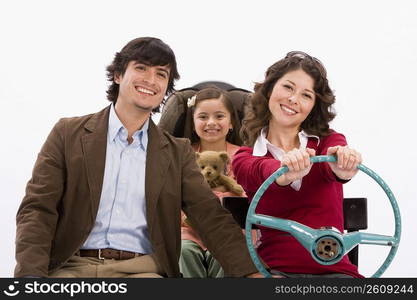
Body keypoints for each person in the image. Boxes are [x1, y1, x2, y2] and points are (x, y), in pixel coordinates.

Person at [14, 37, 261, 278]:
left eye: (161, 74)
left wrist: (252, 273)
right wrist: (30, 279)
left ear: (166, 88)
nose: (150, 80)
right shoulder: (68, 134)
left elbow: (210, 217)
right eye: (141, 68)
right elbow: (38, 209)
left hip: (143, 271)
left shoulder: (177, 152)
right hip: (71, 267)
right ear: (118, 75)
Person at [232, 51, 364, 278]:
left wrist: (342, 165)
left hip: (336, 272)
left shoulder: (329, 143)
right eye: (288, 87)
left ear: (314, 106)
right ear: (270, 89)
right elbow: (262, 171)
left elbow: (331, 166)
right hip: (274, 272)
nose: (293, 99)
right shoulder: (245, 158)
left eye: (306, 95)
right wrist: (284, 172)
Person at [178, 87, 244, 278]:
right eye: (203, 117)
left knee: (228, 254)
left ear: (231, 122)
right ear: (193, 123)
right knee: (184, 251)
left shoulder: (243, 156)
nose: (211, 123)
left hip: (229, 229)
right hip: (189, 229)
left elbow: (246, 197)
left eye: (219, 116)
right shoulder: (182, 155)